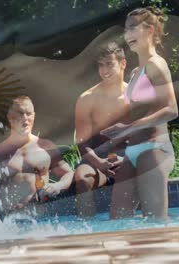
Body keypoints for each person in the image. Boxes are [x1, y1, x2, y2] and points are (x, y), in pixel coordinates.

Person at [101, 7, 178, 219]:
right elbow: (139, 112)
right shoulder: (136, 71)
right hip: (132, 152)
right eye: (126, 29)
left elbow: (171, 110)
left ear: (150, 30)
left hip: (154, 150)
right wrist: (122, 136)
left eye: (133, 28)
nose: (127, 34)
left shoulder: (156, 64)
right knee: (117, 220)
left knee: (156, 221)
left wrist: (127, 129)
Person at [0, 96, 74, 223]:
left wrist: (58, 185)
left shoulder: (46, 147)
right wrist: (0, 228)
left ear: (34, 116)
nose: (25, 118)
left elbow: (68, 173)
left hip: (43, 221)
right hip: (9, 222)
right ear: (10, 117)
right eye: (20, 113)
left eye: (29, 113)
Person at [74, 42, 129, 217]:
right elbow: (82, 144)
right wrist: (99, 163)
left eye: (109, 64)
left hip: (128, 157)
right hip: (96, 159)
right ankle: (86, 231)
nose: (104, 70)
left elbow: (147, 134)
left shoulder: (134, 95)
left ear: (123, 64)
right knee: (83, 179)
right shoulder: (87, 99)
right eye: (101, 65)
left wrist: (127, 158)